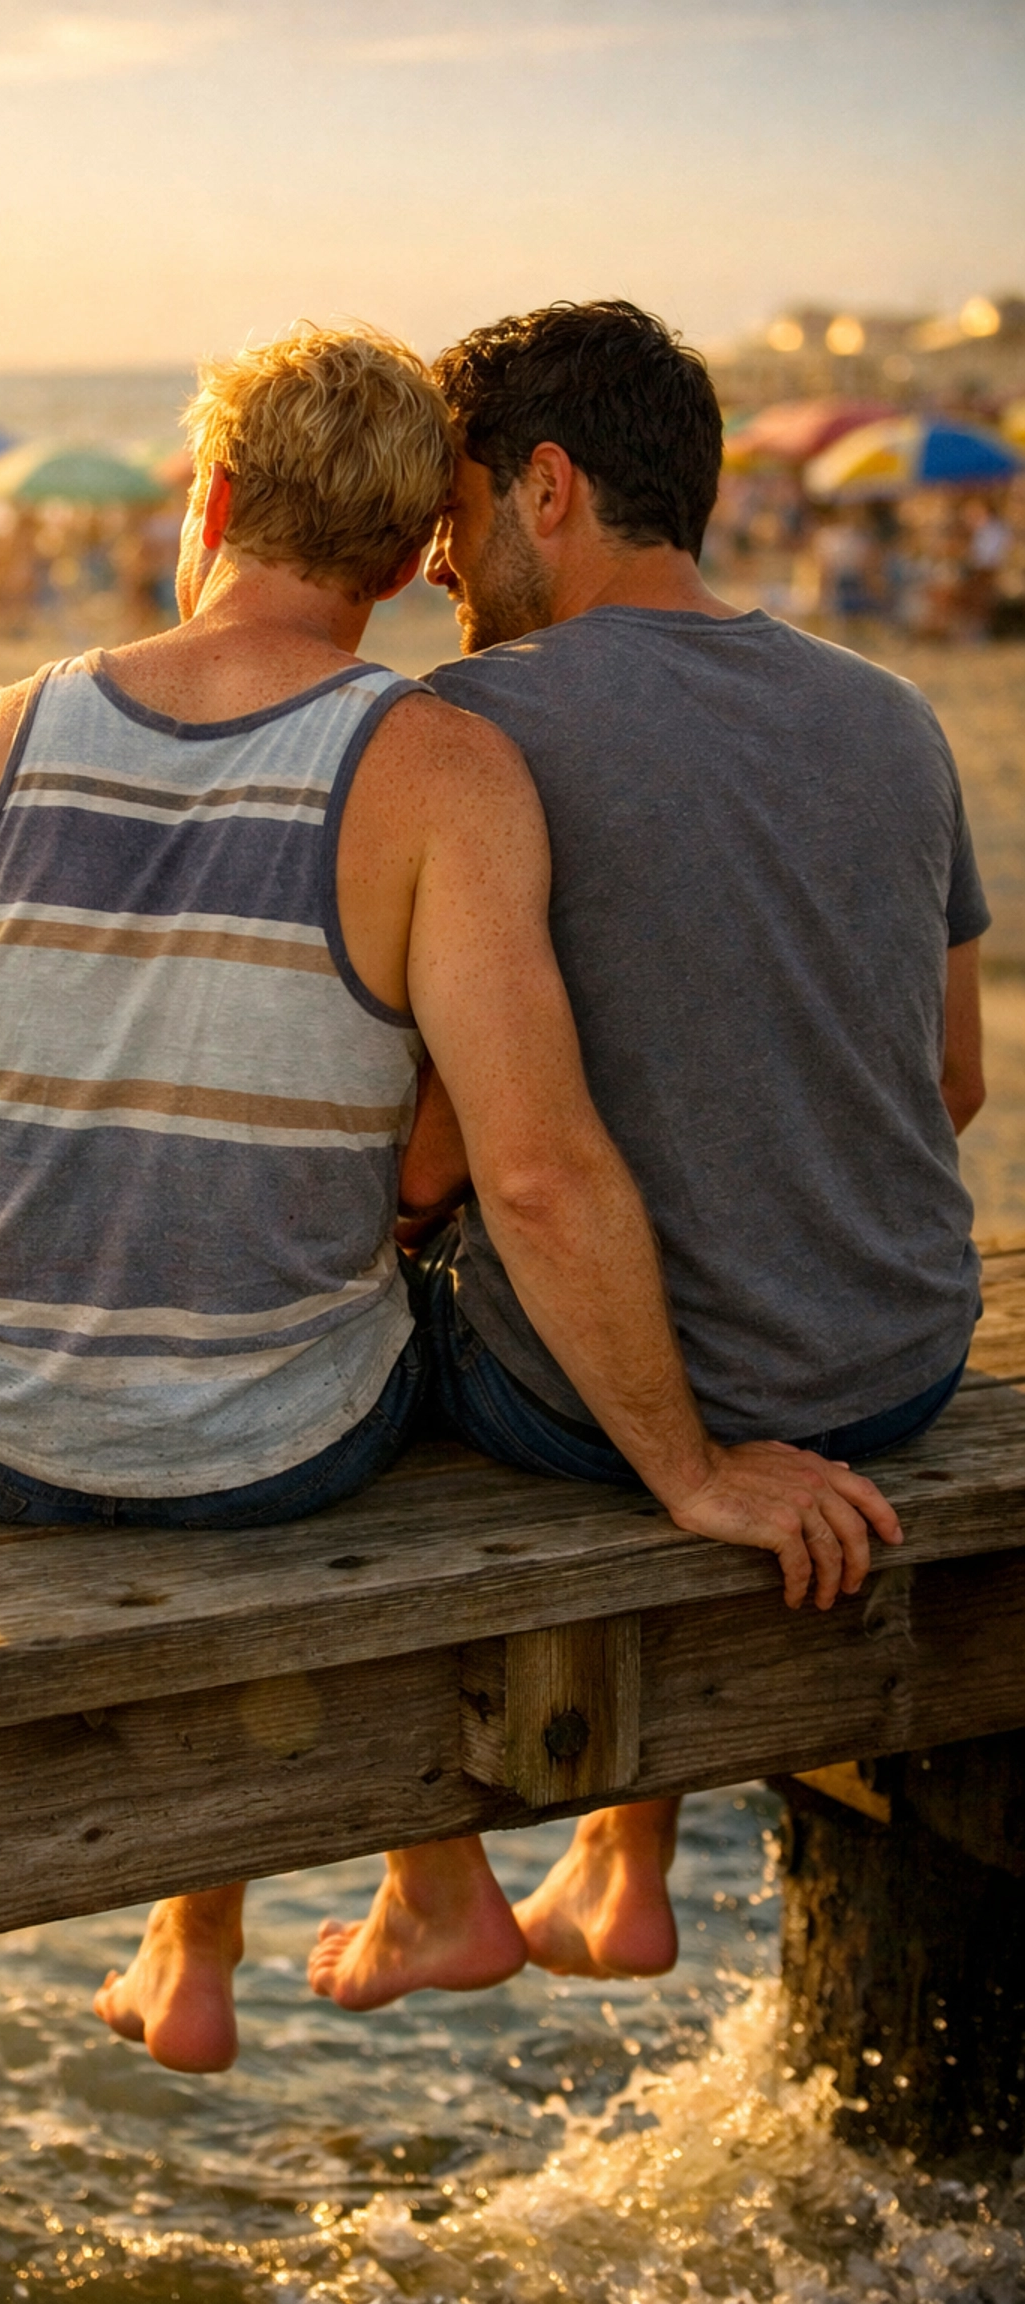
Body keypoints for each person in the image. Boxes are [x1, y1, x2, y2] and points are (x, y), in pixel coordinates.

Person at [0, 322, 894, 2124]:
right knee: (374, 1298)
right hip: (284, 1448)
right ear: (406, 563)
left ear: (209, 500)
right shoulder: (442, 767)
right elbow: (524, 1173)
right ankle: (376, 1894)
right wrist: (692, 1471)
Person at [306, 301, 983, 2011]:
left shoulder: (469, 730)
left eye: (455, 518)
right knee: (666, 1171)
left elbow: (465, 1162)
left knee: (347, 1315)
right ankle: (624, 1858)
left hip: (628, 1409)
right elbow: (954, 1081)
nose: (441, 568)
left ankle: (429, 1887)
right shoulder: (892, 713)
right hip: (898, 1362)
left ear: (549, 489)